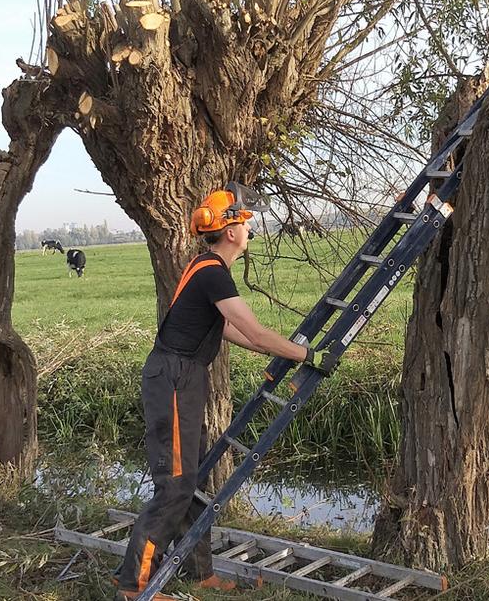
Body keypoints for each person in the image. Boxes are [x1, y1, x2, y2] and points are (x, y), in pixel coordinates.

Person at [115, 186, 336, 600]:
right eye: (245, 222)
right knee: (176, 482)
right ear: (231, 230)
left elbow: (232, 332)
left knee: (192, 478)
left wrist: (282, 352)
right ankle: (133, 586)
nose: (249, 229)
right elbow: (253, 330)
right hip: (174, 377)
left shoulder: (208, 268)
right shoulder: (211, 270)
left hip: (185, 376)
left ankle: (200, 572)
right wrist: (307, 354)